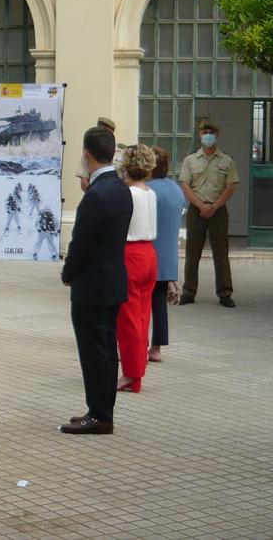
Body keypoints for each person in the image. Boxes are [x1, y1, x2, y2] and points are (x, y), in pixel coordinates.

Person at [59, 126, 133, 435]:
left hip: (92, 285)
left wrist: (68, 273)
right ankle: (99, 409)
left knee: (94, 352)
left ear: (86, 155)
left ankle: (101, 416)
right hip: (113, 281)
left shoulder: (95, 196)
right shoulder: (121, 189)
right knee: (104, 350)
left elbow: (81, 243)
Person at [179, 120, 239, 307]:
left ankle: (225, 293)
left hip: (218, 211)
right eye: (205, 132)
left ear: (217, 135)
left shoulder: (227, 160)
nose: (208, 135)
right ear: (200, 135)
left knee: (221, 252)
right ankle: (188, 292)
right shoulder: (190, 160)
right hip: (196, 210)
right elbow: (185, 186)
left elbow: (230, 187)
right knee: (192, 252)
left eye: (211, 132)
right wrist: (200, 205)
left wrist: (214, 206)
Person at [115, 145, 158, 393]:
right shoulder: (149, 192)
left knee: (128, 319)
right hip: (148, 253)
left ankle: (131, 372)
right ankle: (137, 370)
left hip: (130, 253)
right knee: (142, 316)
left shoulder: (128, 193)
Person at [146, 146, 187, 363]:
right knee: (159, 304)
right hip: (168, 257)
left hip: (147, 255)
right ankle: (157, 347)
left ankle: (138, 343)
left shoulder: (147, 189)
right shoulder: (175, 189)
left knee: (141, 303)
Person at [75, 117, 124, 191]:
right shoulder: (89, 154)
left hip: (118, 194)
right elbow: (84, 183)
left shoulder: (121, 152)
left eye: (105, 132)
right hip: (96, 193)